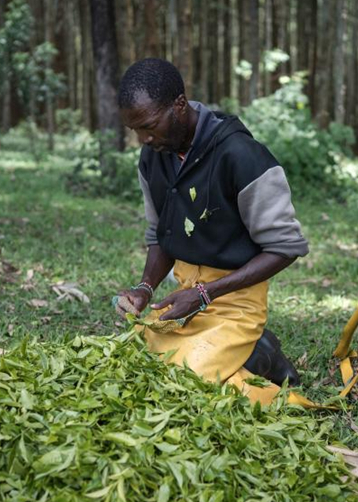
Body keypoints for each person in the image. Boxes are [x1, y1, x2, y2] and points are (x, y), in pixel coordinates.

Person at [115, 58, 312, 406]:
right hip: (185, 299)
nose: (143, 139)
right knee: (139, 360)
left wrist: (206, 294)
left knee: (190, 383)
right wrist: (145, 289)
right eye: (135, 131)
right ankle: (253, 352)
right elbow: (160, 234)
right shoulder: (153, 157)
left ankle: (273, 378)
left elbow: (285, 248)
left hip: (236, 302)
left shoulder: (242, 156)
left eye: (149, 126)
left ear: (179, 105)